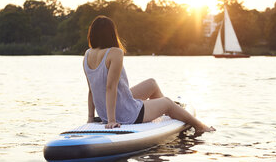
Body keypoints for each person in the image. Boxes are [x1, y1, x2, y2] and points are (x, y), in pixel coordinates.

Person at [83, 15, 215, 133]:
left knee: (151, 84)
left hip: (107, 110)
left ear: (92, 34)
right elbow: (110, 87)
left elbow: (91, 90)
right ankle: (199, 126)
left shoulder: (87, 55)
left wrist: (90, 118)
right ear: (111, 34)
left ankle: (168, 116)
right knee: (167, 102)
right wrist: (111, 120)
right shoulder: (115, 52)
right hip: (124, 114)